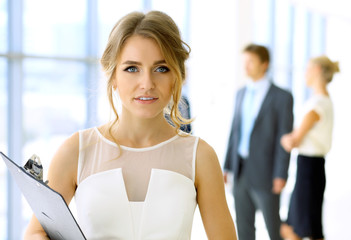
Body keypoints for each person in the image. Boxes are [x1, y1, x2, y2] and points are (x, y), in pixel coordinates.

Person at [24, 11, 236, 239]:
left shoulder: (200, 156)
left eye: (161, 68)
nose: (147, 83)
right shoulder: (77, 150)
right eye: (132, 68)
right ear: (113, 75)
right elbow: (36, 232)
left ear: (177, 76)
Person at [223, 43, 294, 240]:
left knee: (274, 228)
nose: (245, 66)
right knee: (244, 228)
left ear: (264, 64)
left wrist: (281, 174)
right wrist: (227, 166)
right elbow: (234, 132)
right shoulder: (241, 93)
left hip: (267, 174)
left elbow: (284, 137)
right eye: (244, 62)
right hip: (241, 171)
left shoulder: (282, 97)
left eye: (250, 62)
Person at [280, 56, 340, 240]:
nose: (305, 73)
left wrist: (284, 138)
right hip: (313, 168)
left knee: (293, 229)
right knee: (309, 228)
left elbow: (293, 141)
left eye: (308, 68)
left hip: (308, 170)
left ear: (318, 70)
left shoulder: (317, 105)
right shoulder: (324, 101)